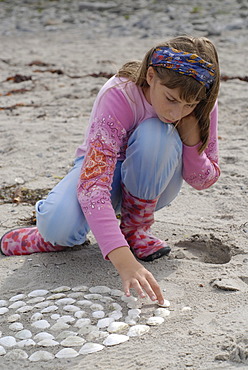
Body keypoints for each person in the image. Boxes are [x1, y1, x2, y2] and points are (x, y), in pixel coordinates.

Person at [0, 35, 220, 305]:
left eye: (189, 105)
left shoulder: (198, 99)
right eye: (171, 99)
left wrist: (191, 139)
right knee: (58, 225)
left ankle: (136, 229)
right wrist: (124, 260)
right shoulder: (120, 94)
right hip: (102, 173)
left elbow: (203, 180)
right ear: (151, 76)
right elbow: (93, 186)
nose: (178, 112)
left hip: (153, 184)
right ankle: (49, 237)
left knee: (157, 136)